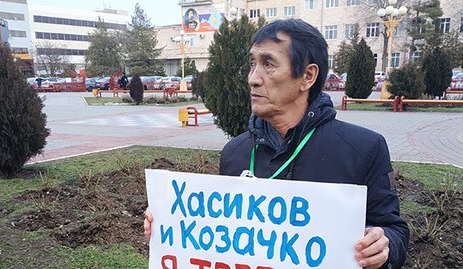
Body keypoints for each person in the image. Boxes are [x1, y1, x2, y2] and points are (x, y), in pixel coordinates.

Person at [144, 19, 409, 269]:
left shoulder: (363, 148)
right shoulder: (235, 153)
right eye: (252, 64)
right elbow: (225, 236)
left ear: (307, 76)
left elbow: (395, 232)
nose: (253, 79)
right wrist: (170, 223)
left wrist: (383, 245)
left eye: (268, 64)